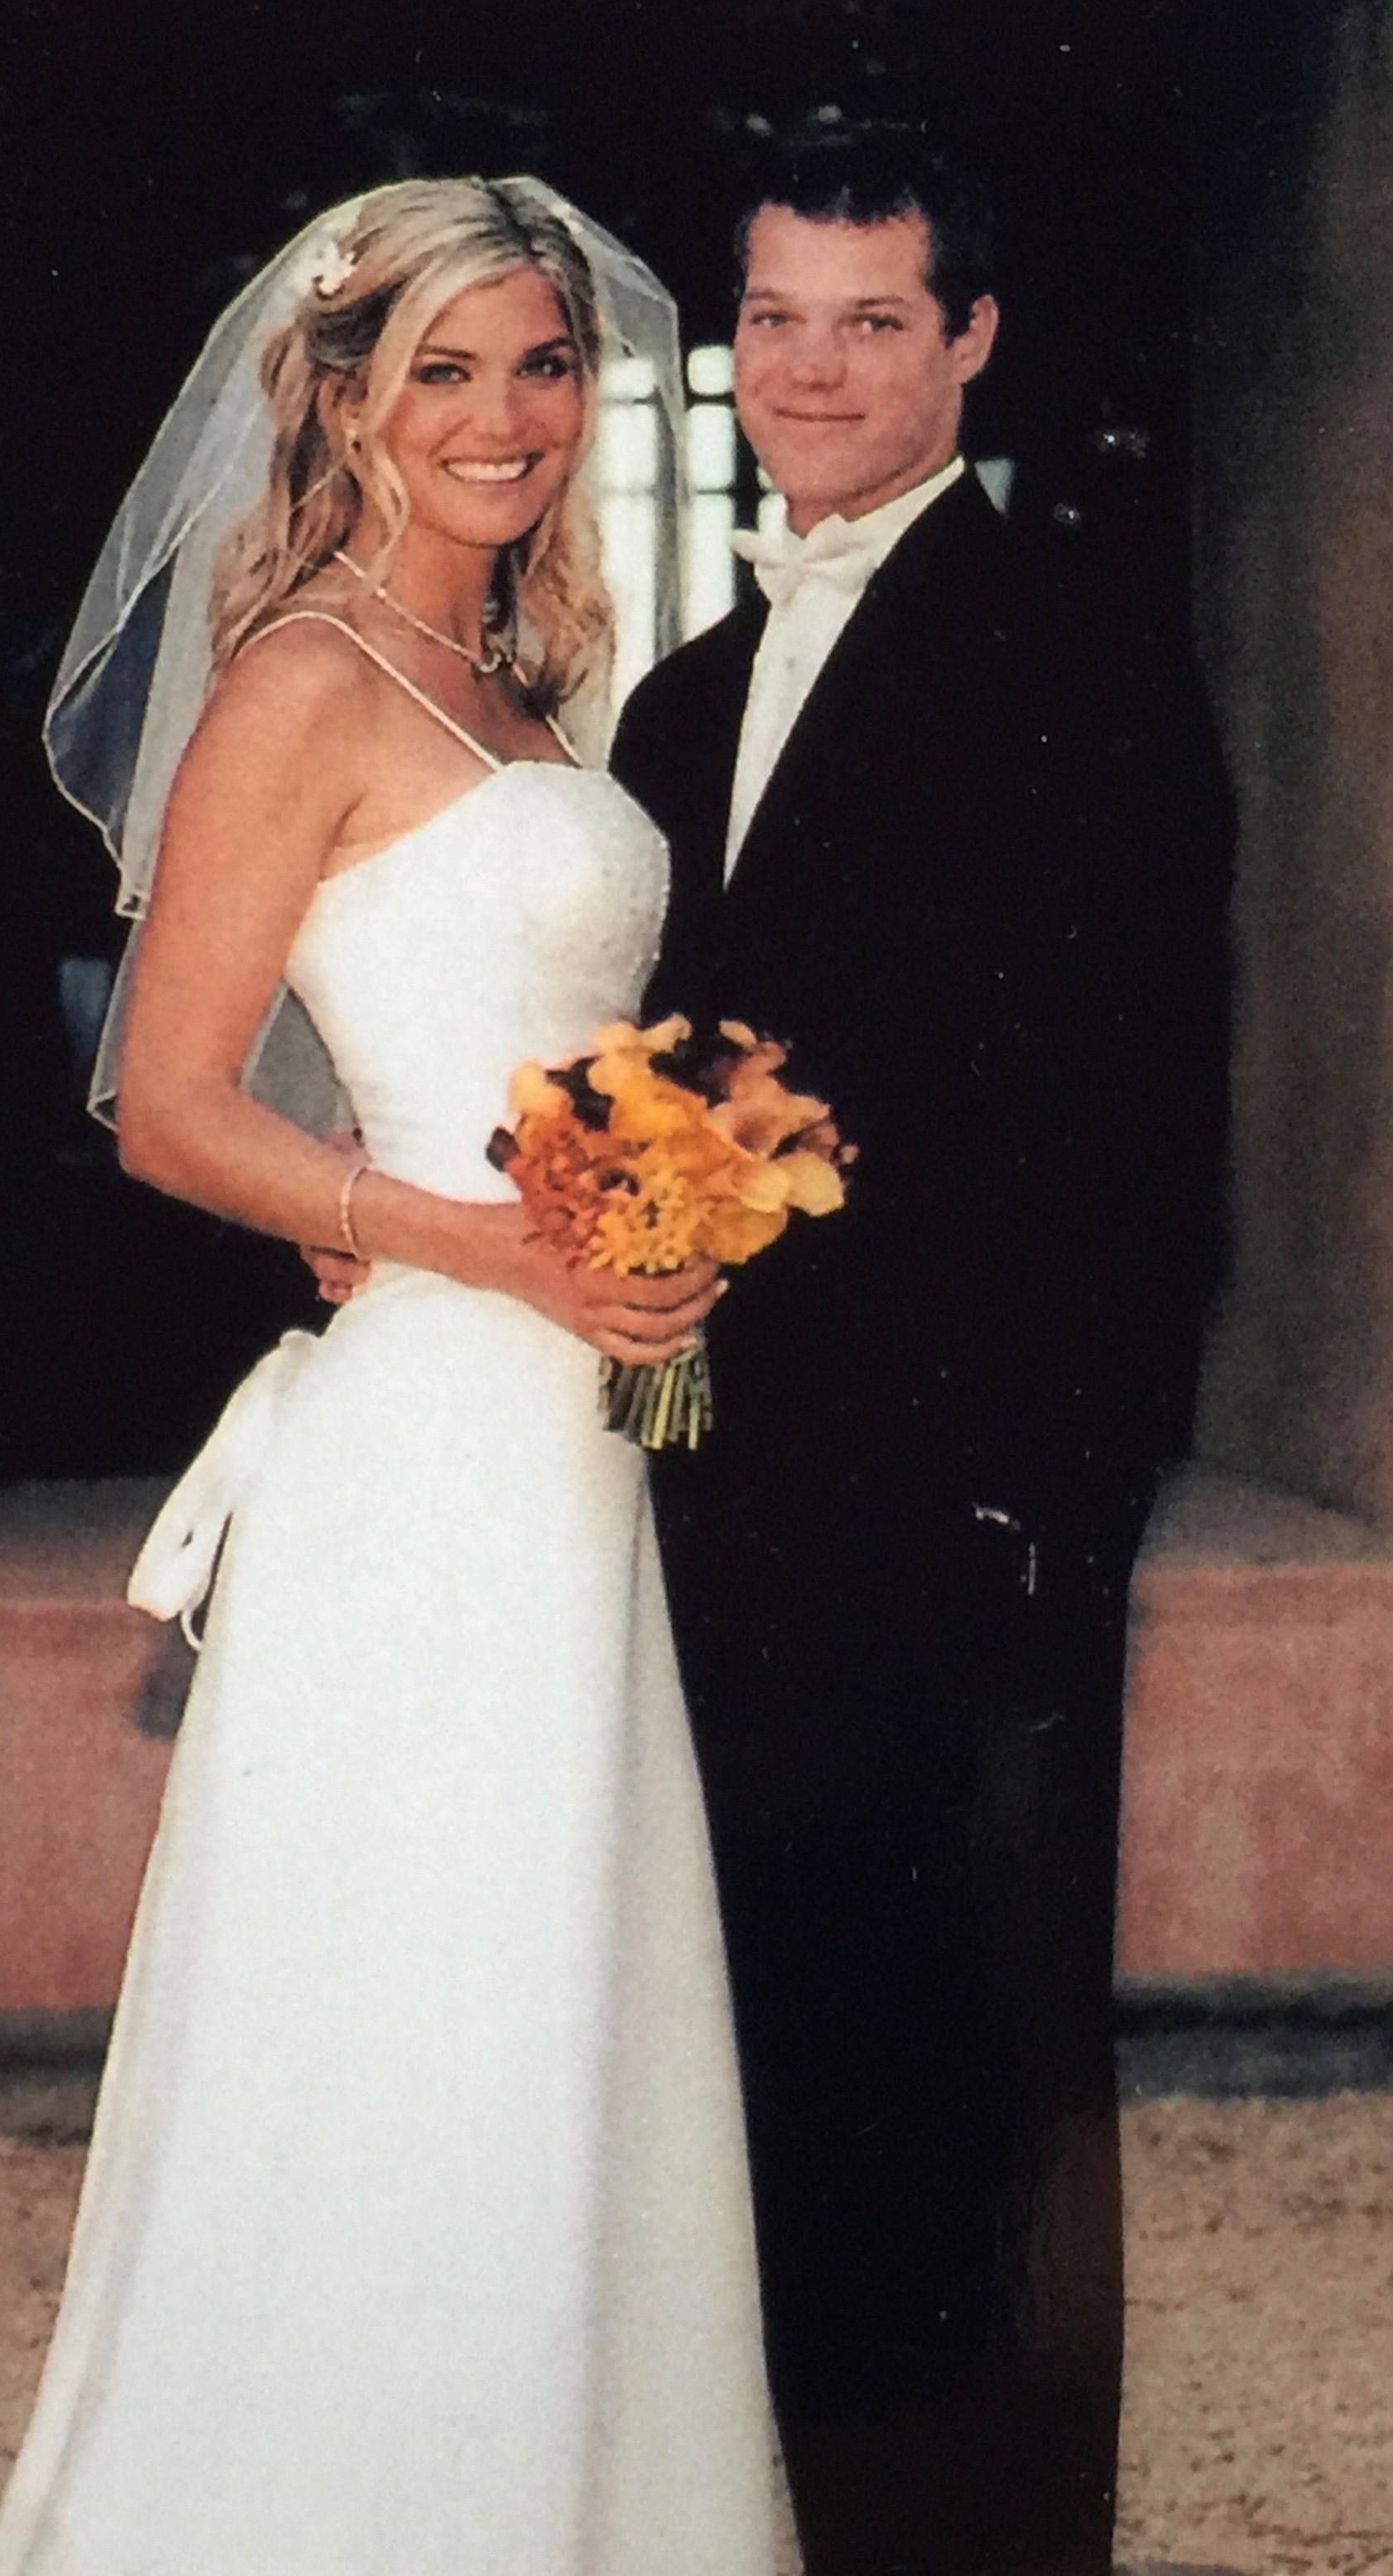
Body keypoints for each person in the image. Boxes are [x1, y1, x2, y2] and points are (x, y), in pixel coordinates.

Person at [0, 176, 778, 2576]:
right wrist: (487, 1246)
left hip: (568, 1444)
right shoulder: (303, 683)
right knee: (422, 2018)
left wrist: (668, 1197)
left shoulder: (512, 681)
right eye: (443, 370)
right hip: (434, 1443)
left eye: (543, 367)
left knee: (562, 2006)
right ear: (340, 401)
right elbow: (168, 1108)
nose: (504, 418)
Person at [608, 137, 1235, 2576]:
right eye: (774, 319)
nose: (812, 369)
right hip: (715, 1496)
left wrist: (1052, 1498)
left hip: (967, 1511)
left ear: (970, 342)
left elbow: (1139, 1113)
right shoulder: (679, 700)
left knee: (979, 2106)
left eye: (872, 320)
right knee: (779, 2068)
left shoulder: (1079, 644)